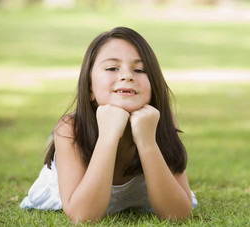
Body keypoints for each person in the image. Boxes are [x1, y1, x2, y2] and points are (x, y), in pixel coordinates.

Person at [20, 27, 197, 224]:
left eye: (140, 70)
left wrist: (147, 142)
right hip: (76, 184)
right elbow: (84, 217)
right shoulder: (70, 129)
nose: (127, 76)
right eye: (112, 68)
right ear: (89, 88)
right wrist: (108, 136)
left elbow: (178, 214)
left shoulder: (162, 123)